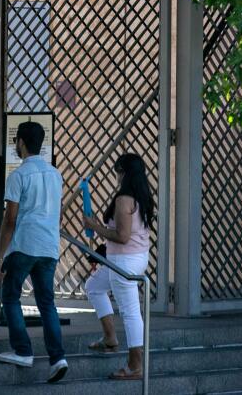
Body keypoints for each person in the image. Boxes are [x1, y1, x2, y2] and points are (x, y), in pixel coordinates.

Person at [0, 120, 69, 383]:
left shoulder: (18, 176)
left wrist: (0, 255)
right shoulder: (55, 175)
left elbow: (10, 219)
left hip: (25, 245)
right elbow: (58, 213)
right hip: (49, 247)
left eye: (17, 141)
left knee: (11, 296)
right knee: (47, 302)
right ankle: (58, 358)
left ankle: (23, 350)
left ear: (21, 143)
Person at [82, 153, 154, 381]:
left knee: (131, 312)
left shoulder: (124, 199)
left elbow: (122, 236)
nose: (116, 176)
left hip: (124, 260)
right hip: (135, 257)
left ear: (122, 172)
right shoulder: (142, 194)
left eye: (117, 172)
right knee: (93, 286)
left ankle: (135, 366)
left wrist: (95, 226)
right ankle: (109, 338)